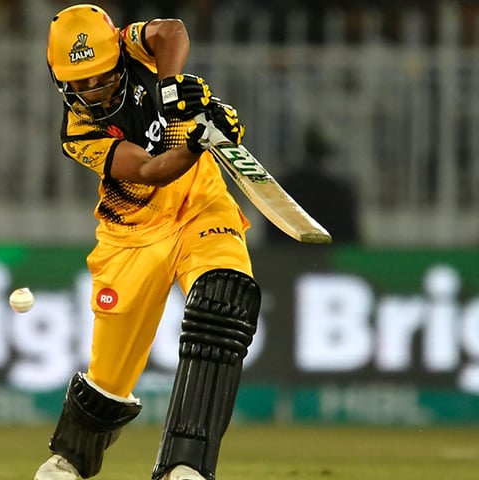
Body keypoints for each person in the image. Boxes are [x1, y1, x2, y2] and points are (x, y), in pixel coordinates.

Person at [36, 5, 261, 480]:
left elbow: (172, 32)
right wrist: (200, 140)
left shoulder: (131, 43)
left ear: (117, 51)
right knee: (110, 377)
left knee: (224, 301)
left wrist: (171, 86)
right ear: (60, 81)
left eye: (100, 78)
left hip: (202, 208)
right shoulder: (77, 133)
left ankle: (185, 466)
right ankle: (70, 460)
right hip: (131, 235)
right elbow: (149, 170)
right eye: (80, 84)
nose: (93, 92)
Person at [265, 125, 360, 244]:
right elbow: (349, 235)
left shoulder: (286, 186)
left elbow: (273, 234)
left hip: (288, 256)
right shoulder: (338, 190)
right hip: (329, 258)